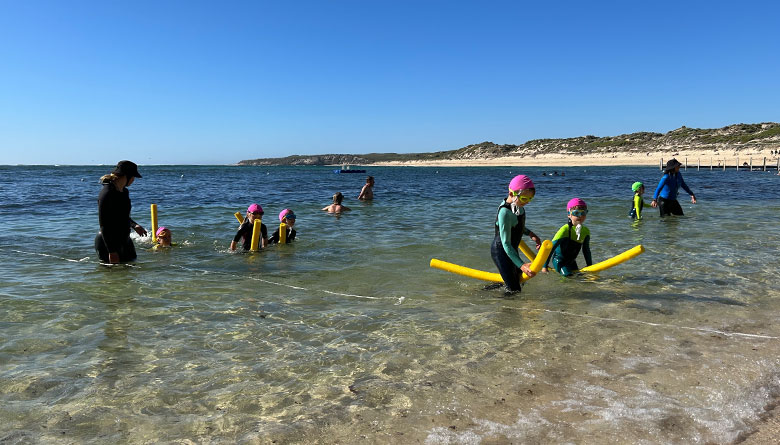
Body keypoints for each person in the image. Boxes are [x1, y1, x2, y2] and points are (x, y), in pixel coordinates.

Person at [490, 175, 542, 293]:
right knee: (514, 290)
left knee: (519, 282)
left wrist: (531, 234)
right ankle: (505, 309)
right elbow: (506, 243)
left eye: (530, 199)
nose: (527, 202)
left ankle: (486, 290)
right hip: (501, 251)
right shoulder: (504, 212)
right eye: (524, 198)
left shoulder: (518, 206)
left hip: (511, 250)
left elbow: (516, 226)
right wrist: (522, 265)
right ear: (512, 194)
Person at [95, 160, 147, 264]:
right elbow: (104, 224)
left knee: (131, 267)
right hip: (108, 242)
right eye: (133, 177)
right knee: (113, 275)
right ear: (126, 176)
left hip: (124, 238)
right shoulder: (107, 193)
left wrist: (134, 225)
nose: (133, 180)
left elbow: (122, 216)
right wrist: (112, 252)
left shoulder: (124, 192)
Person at [543, 198, 593, 277]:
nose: (580, 216)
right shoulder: (565, 229)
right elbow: (551, 248)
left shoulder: (586, 231)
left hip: (572, 261)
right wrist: (544, 266)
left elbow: (586, 250)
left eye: (583, 213)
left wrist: (590, 265)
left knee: (580, 277)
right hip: (559, 260)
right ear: (569, 214)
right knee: (568, 276)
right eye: (576, 213)